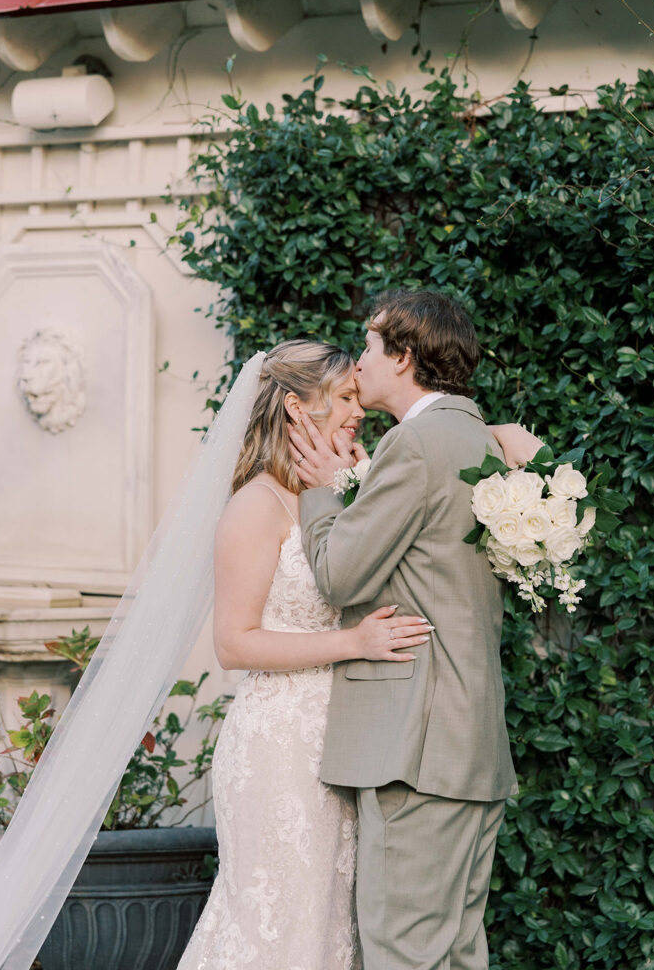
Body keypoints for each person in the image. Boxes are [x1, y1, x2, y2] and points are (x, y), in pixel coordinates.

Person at [179, 335, 539, 970]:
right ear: (296, 409)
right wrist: (353, 642)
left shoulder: (354, 488)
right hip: (282, 745)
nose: (358, 410)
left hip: (354, 742)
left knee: (339, 932)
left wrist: (499, 438)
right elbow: (234, 643)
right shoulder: (255, 506)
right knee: (280, 925)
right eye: (344, 397)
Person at [290, 291, 523, 970]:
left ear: (403, 355)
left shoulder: (415, 445)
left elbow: (339, 575)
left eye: (367, 348)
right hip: (471, 743)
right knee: (452, 954)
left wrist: (322, 488)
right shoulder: (478, 438)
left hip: (417, 751)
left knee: (402, 953)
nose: (358, 363)